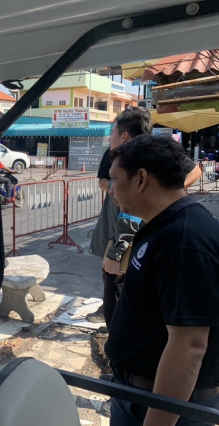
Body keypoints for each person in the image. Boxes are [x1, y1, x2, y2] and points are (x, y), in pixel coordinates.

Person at [105, 135, 219, 426]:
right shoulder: (164, 225)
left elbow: (189, 345)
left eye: (115, 179)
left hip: (163, 405)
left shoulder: (184, 240)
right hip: (135, 394)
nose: (111, 190)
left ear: (141, 179)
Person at [88, 108, 201, 327]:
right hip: (123, 229)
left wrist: (167, 192)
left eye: (112, 132)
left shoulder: (148, 155)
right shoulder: (117, 157)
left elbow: (190, 338)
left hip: (130, 231)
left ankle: (117, 333)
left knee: (117, 279)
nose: (109, 138)